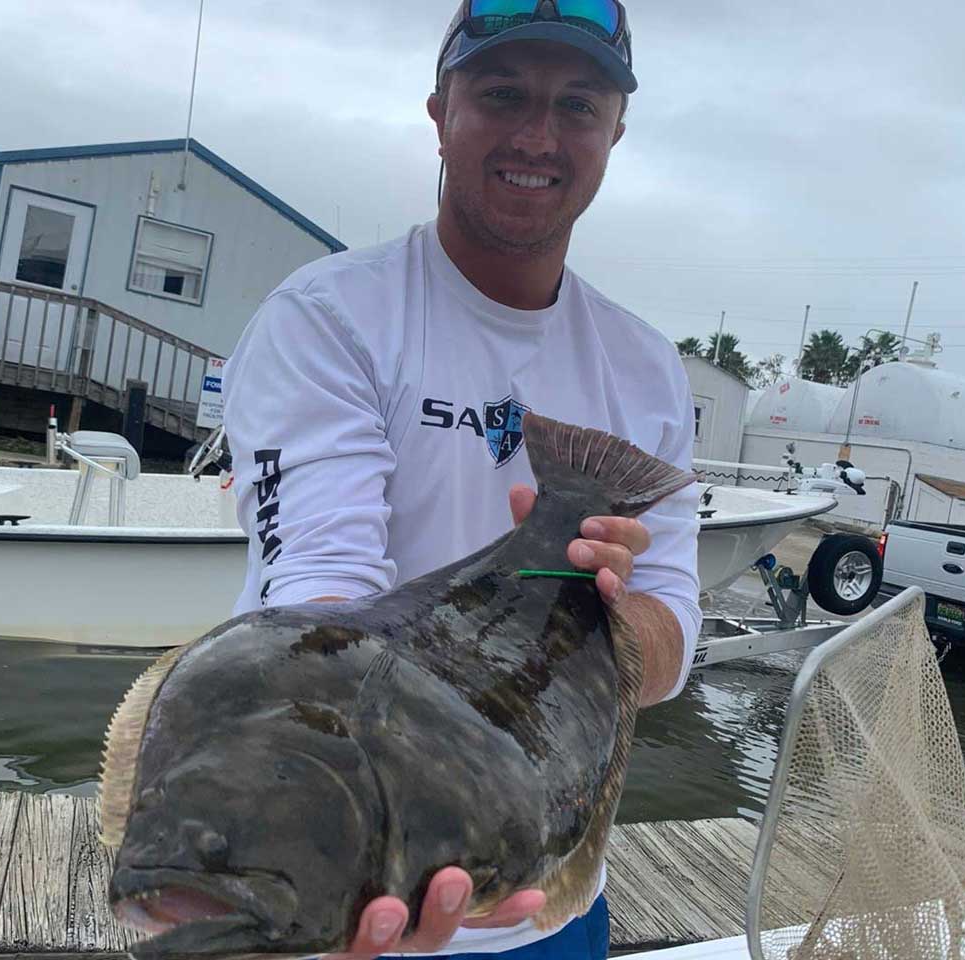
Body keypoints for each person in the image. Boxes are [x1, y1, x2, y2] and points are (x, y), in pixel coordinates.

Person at [222, 2, 700, 957]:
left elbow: (675, 634)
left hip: (549, 890)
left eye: (577, 104)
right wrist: (360, 834)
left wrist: (606, 616)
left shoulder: (648, 369)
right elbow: (320, 591)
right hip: (333, 866)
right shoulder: (329, 315)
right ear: (440, 110)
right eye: (502, 94)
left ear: (616, 129)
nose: (537, 135)